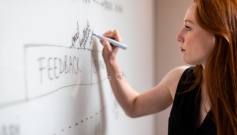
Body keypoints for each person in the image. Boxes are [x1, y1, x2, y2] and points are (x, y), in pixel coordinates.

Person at [99, 0, 237, 134]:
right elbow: (133, 106)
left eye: (188, 27)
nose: (178, 36)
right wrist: (111, 61)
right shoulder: (181, 80)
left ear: (218, 35)